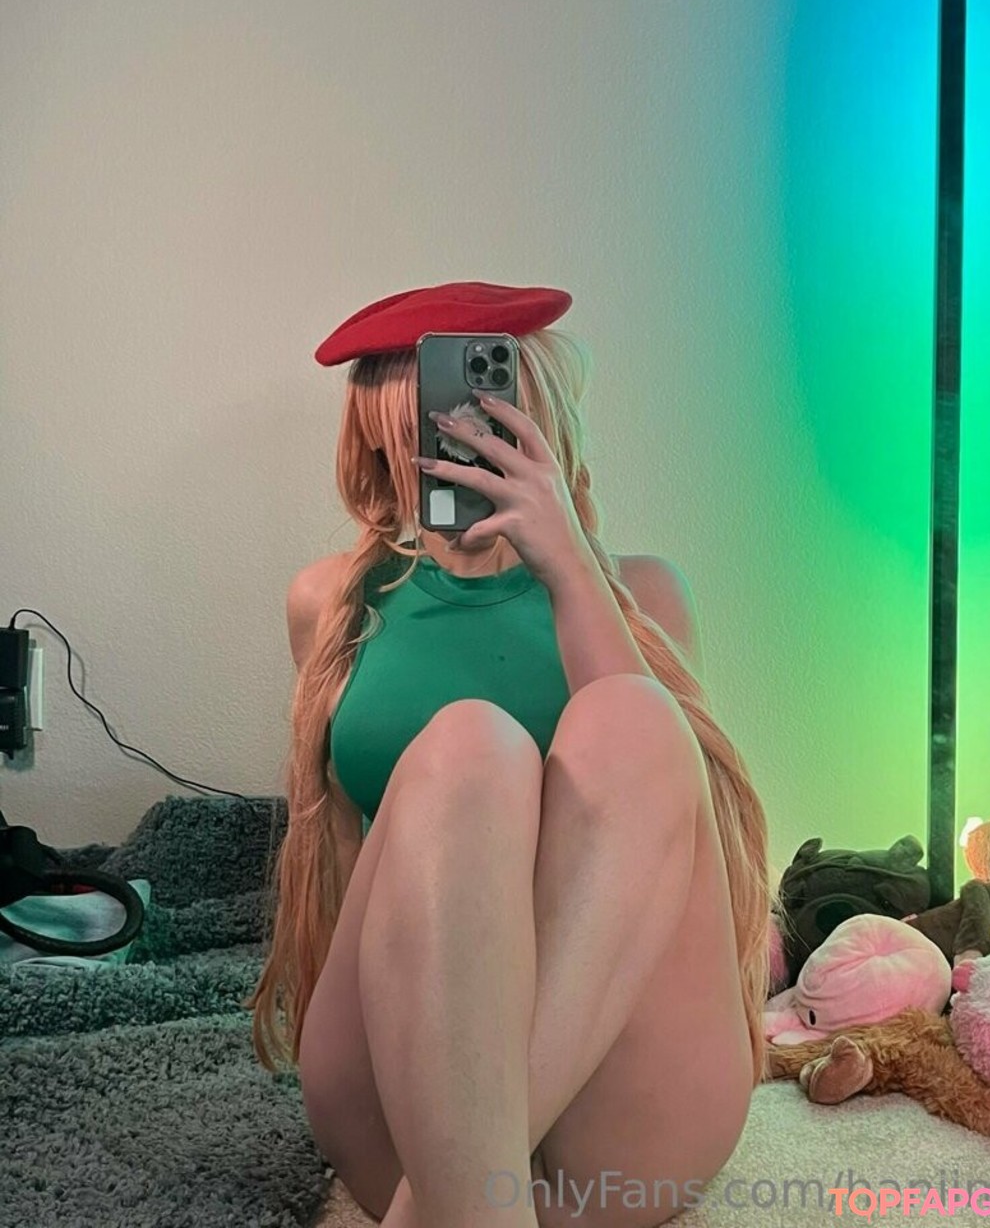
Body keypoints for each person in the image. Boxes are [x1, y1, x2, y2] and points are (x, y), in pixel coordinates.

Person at [245, 282, 772, 1228]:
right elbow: (349, 862)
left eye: (485, 407)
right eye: (436, 414)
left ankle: (449, 1207)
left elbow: (658, 831)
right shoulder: (330, 604)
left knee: (636, 719)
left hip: (620, 1100)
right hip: (402, 1077)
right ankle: (469, 1198)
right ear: (381, 430)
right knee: (469, 746)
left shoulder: (643, 594)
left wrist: (566, 560)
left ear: (539, 417)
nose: (460, 437)